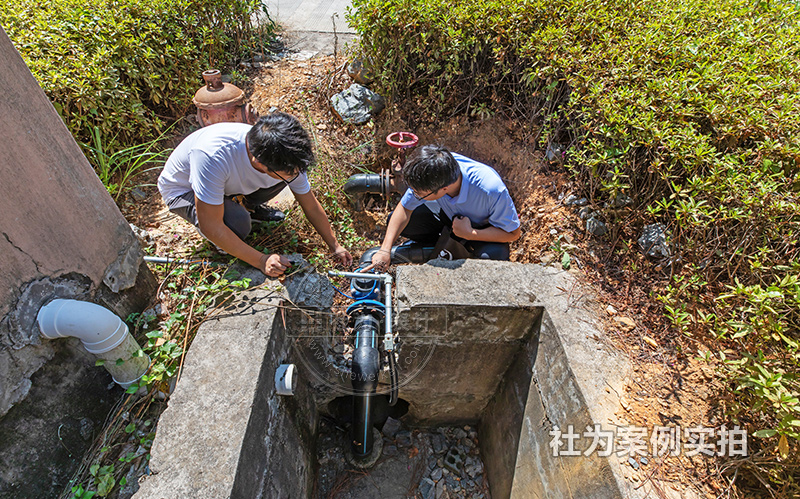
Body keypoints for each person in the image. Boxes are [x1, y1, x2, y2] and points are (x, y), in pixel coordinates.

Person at [158, 112, 353, 277]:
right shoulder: (212, 156)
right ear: (258, 162)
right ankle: (231, 223)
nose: (297, 175)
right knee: (239, 223)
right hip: (184, 191)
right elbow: (212, 226)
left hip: (225, 186)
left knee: (282, 181)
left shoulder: (282, 154)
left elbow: (310, 205)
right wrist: (261, 260)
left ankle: (246, 206)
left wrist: (335, 245)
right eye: (291, 172)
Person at [366, 145, 521, 271]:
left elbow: (513, 233)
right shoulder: (434, 169)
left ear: (444, 189)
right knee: (403, 221)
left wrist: (470, 233)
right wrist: (385, 250)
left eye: (419, 194)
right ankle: (441, 247)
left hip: (481, 230)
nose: (415, 195)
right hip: (450, 217)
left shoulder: (490, 190)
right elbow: (404, 208)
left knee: (493, 258)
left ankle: (461, 251)